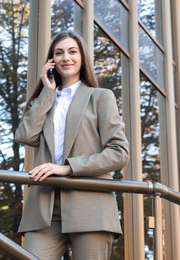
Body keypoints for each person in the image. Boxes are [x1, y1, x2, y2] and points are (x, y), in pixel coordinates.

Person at [15, 30, 129, 260]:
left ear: (83, 57)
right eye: (59, 53)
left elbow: (119, 153)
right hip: (44, 209)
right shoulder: (44, 101)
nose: (65, 57)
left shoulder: (100, 97)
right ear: (51, 61)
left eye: (72, 51)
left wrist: (67, 168)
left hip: (91, 206)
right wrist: (47, 92)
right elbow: (26, 136)